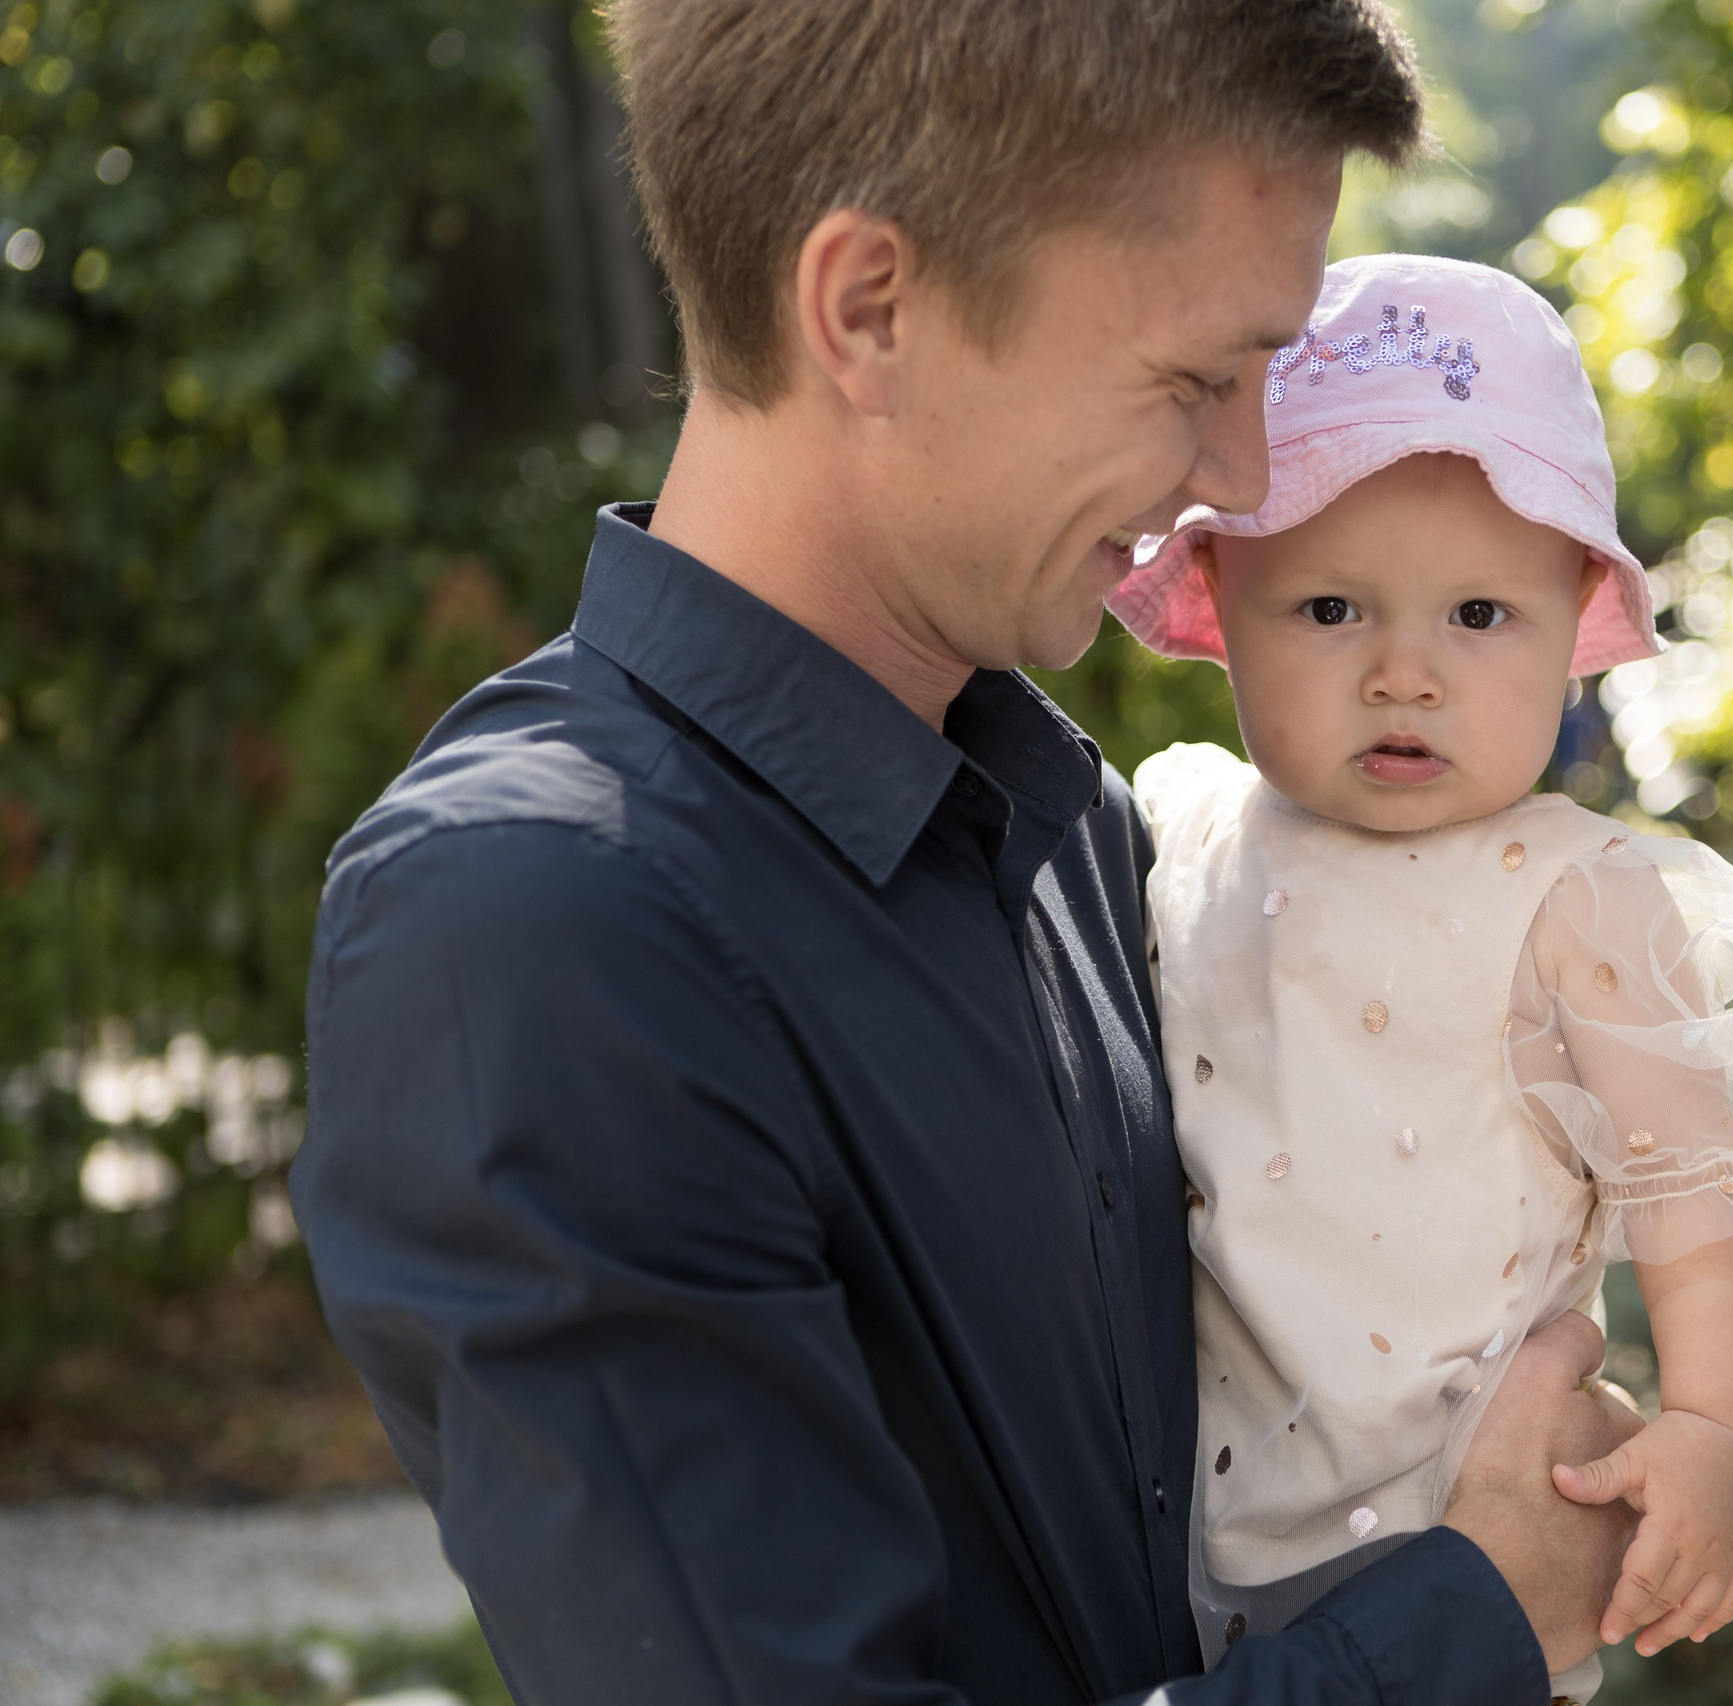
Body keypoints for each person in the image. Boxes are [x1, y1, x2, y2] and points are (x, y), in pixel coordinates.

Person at [291, 3, 1645, 1702]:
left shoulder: (1072, 827)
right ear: (872, 308)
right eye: (1196, 381)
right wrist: (1474, 1617)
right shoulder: (535, 927)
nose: (1244, 477)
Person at [1108, 254, 1733, 1701]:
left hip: (1476, 1536)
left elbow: (1691, 1194)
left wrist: (1712, 1431)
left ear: (1572, 619)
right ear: (1222, 597)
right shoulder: (1187, 833)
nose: (1404, 674)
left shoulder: (1568, 894)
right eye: (1330, 611)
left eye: (1478, 617)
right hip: (1212, 1536)